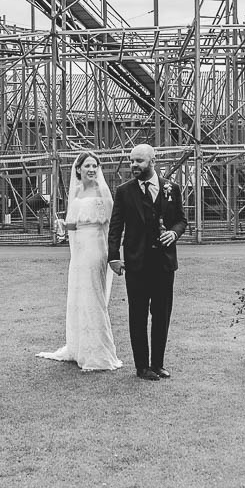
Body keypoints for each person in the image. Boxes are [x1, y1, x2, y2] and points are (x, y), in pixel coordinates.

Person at [36, 151, 122, 373]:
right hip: (79, 253)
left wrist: (113, 252)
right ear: (78, 169)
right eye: (87, 166)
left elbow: (113, 223)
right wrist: (62, 226)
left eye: (95, 166)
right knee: (79, 296)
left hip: (96, 249)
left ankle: (98, 353)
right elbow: (74, 225)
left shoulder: (102, 191)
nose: (92, 170)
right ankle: (80, 347)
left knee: (93, 297)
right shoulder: (76, 192)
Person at [108, 143, 187, 381]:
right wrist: (113, 256)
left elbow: (181, 220)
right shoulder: (124, 191)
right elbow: (115, 227)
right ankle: (142, 367)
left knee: (162, 315)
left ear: (153, 161)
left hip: (164, 263)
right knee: (138, 315)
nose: (134, 165)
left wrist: (174, 233)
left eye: (139, 161)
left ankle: (158, 364)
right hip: (136, 264)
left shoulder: (172, 188)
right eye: (132, 160)